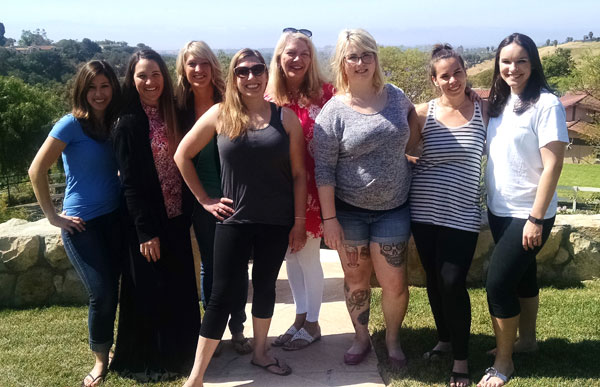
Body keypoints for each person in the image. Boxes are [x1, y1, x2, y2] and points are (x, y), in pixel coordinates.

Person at [175, 48, 307, 385]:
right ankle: (196, 377)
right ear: (233, 77)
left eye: (257, 69)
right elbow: (182, 156)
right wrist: (204, 199)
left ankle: (261, 352)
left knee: (265, 288)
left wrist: (299, 223)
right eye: (242, 71)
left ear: (266, 73)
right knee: (221, 296)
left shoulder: (285, 118)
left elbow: (298, 175)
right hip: (233, 221)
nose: (251, 77)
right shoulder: (221, 114)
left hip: (276, 222)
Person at [314, 28, 419, 368]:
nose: (361, 63)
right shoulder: (333, 112)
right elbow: (324, 171)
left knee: (394, 282)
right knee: (356, 280)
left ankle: (392, 340)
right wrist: (330, 221)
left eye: (367, 55)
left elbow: (414, 123)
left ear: (376, 59)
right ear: (342, 63)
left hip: (393, 209)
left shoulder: (397, 97)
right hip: (349, 213)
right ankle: (361, 339)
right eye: (353, 57)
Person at [477, 33, 568, 387]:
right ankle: (527, 341)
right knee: (523, 278)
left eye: (521, 61)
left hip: (530, 214)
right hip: (499, 210)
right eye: (506, 61)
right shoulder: (499, 102)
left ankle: (504, 363)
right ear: (498, 65)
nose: (512, 68)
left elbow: (553, 165)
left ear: (533, 64)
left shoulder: (547, 104)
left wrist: (534, 218)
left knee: (497, 284)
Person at [28, 60, 123, 387]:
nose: (98, 94)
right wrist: (53, 216)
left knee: (118, 288)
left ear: (113, 88)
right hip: (82, 224)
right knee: (101, 292)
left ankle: (120, 348)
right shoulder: (70, 124)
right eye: (91, 87)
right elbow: (35, 170)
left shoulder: (115, 122)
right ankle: (100, 360)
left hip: (116, 218)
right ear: (81, 91)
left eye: (105, 86)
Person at [109, 49, 201, 382]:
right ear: (131, 80)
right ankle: (156, 357)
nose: (150, 82)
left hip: (176, 215)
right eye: (142, 76)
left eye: (155, 74)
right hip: (145, 222)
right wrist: (146, 231)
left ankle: (186, 351)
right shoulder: (128, 122)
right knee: (151, 290)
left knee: (180, 285)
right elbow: (130, 184)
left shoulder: (172, 112)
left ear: (165, 76)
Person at [409, 44, 488, 387]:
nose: (453, 80)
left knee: (453, 282)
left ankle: (461, 360)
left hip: (464, 213)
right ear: (434, 80)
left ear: (466, 73)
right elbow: (407, 153)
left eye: (458, 72)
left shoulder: (484, 109)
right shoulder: (423, 113)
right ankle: (444, 338)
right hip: (424, 211)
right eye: (445, 75)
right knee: (433, 279)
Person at [175, 40, 251, 356]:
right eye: (192, 64)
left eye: (204, 63)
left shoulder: (229, 101)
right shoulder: (177, 109)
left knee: (238, 269)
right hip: (202, 201)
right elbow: (181, 156)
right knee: (212, 266)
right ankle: (214, 333)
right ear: (183, 68)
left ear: (213, 67)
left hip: (237, 199)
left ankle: (238, 329)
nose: (198, 70)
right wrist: (204, 199)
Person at [266, 28, 335, 350]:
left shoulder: (328, 94)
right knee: (290, 257)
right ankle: (300, 316)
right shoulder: (267, 98)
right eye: (291, 53)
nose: (297, 59)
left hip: (313, 190)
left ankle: (313, 322)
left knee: (308, 257)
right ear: (279, 57)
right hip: (279, 191)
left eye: (304, 53)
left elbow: (370, 95)